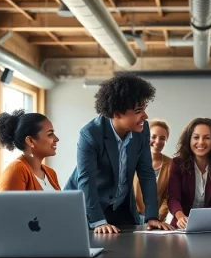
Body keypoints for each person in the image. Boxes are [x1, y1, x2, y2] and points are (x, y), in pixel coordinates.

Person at [65, 73, 172, 234]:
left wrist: (152, 217)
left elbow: (146, 173)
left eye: (144, 108)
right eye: (138, 111)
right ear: (117, 114)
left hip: (120, 208)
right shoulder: (90, 134)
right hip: (87, 209)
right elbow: (87, 180)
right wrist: (98, 221)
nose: (145, 115)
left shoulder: (142, 131)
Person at [168, 118, 211, 229]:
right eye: (196, 137)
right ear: (189, 140)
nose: (201, 142)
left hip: (210, 225)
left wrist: (209, 221)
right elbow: (173, 198)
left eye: (207, 138)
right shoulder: (177, 164)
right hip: (181, 225)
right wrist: (181, 217)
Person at [0, 110, 61, 191]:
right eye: (50, 134)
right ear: (30, 141)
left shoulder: (51, 173)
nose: (56, 139)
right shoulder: (16, 172)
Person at [132, 119, 172, 222]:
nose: (158, 141)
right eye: (153, 136)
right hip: (131, 217)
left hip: (157, 219)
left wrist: (156, 218)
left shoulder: (171, 164)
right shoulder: (133, 160)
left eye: (162, 138)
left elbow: (168, 197)